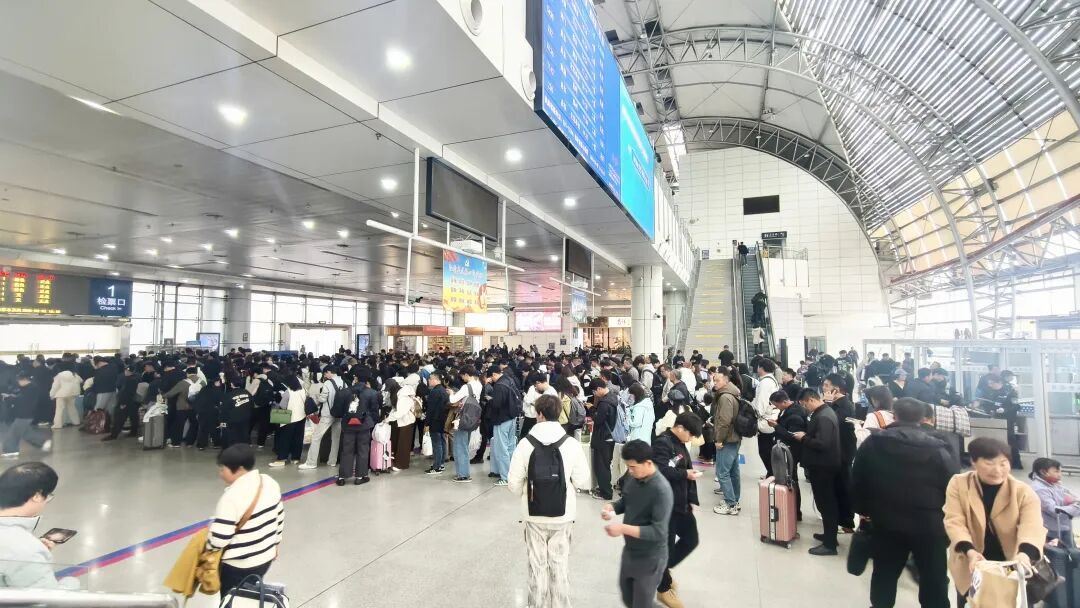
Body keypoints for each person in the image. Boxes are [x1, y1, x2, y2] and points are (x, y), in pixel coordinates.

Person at [852, 398, 959, 608]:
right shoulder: (940, 446)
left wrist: (864, 511)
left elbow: (858, 479)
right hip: (930, 524)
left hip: (886, 521)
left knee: (885, 573)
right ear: (923, 418)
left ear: (894, 414)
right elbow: (952, 484)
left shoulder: (875, 442)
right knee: (934, 577)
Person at [507, 394, 590, 608]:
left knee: (537, 568)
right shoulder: (570, 443)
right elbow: (583, 480)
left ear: (539, 414)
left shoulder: (525, 444)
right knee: (559, 566)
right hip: (563, 514)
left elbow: (513, 484)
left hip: (533, 514)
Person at [943, 437, 1046, 606]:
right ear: (974, 462)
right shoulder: (959, 484)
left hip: (1010, 564)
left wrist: (1024, 554)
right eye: (989, 463)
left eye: (1003, 463)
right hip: (973, 563)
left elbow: (1032, 526)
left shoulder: (1023, 491)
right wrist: (969, 551)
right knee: (972, 602)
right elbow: (954, 521)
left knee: (1010, 601)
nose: (997, 470)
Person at [600, 440, 674, 608]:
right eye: (628, 467)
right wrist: (612, 507)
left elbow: (658, 531)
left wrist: (622, 528)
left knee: (641, 604)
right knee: (628, 598)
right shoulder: (634, 479)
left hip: (651, 557)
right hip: (631, 551)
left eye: (633, 467)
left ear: (648, 463)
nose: (630, 471)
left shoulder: (661, 490)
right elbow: (627, 500)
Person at [208, 445, 284, 595]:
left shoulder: (231, 497)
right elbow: (279, 516)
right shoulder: (268, 482)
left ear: (240, 469)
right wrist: (275, 543)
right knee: (249, 597)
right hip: (265, 558)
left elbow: (220, 539)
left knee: (232, 600)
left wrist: (208, 543)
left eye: (223, 469)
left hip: (238, 564)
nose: (220, 474)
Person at [652, 413, 703, 608]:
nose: (691, 439)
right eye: (690, 434)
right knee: (665, 547)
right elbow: (659, 470)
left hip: (680, 502)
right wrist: (685, 474)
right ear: (680, 428)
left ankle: (661, 570)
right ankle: (663, 589)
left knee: (691, 539)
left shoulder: (679, 443)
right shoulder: (662, 443)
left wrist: (689, 497)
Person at [0, 462, 78, 590]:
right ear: (36, 496)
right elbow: (46, 598)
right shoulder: (26, 550)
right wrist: (71, 583)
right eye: (48, 496)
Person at [793, 388, 841, 556]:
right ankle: (829, 535)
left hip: (823, 466)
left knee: (826, 504)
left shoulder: (823, 417)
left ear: (811, 400)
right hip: (822, 465)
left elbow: (823, 443)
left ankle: (830, 544)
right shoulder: (824, 413)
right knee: (824, 503)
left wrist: (804, 438)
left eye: (805, 404)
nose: (804, 408)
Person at [823, 373, 857, 533]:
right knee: (835, 486)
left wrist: (828, 404)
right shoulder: (836, 404)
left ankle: (847, 523)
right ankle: (836, 518)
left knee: (843, 486)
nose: (823, 388)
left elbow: (832, 422)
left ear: (836, 389)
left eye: (826, 385)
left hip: (843, 452)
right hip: (834, 450)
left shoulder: (845, 405)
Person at [766, 389, 807, 520]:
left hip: (791, 452)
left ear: (784, 402)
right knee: (788, 478)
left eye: (777, 405)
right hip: (786, 450)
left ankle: (795, 511)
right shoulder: (787, 410)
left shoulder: (795, 415)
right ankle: (789, 507)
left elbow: (792, 436)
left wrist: (776, 426)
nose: (776, 408)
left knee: (791, 480)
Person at [710, 368, 742, 515]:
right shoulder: (734, 392)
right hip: (734, 437)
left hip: (727, 439)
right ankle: (734, 500)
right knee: (733, 471)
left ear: (726, 380)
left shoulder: (725, 397)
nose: (715, 383)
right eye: (714, 380)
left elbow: (724, 421)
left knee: (722, 472)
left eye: (717, 380)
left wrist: (719, 439)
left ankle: (730, 504)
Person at [1029, 457, 1080, 548]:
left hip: (1062, 525)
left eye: (1060, 471)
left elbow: (1067, 495)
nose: (1060, 475)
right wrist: (1075, 508)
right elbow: (1054, 510)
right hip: (1052, 530)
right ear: (1043, 472)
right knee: (1064, 553)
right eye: (1056, 471)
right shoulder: (1040, 489)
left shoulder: (1053, 484)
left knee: (1072, 551)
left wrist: (1072, 500)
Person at [300, 365, 343, 471]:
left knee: (316, 437)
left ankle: (311, 462)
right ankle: (332, 461)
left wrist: (316, 398)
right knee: (336, 438)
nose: (325, 375)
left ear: (329, 372)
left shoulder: (328, 383)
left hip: (328, 414)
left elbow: (323, 399)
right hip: (340, 414)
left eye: (325, 373)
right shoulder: (343, 382)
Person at [2, 372, 52, 457]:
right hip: (26, 414)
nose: (18, 382)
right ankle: (42, 443)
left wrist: (9, 398)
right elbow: (21, 398)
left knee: (14, 433)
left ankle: (10, 450)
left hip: (24, 414)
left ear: (25, 380)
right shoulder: (29, 388)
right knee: (26, 433)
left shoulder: (31, 389)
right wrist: (12, 396)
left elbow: (22, 401)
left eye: (19, 380)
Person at [488, 365, 521, 486]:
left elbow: (497, 404)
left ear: (494, 374)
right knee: (510, 446)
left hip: (501, 420)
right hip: (511, 417)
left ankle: (505, 477)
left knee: (501, 449)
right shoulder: (509, 380)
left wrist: (490, 400)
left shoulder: (499, 385)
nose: (491, 380)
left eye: (491, 377)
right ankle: (512, 473)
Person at [449, 366, 483, 483]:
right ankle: (463, 473)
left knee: (460, 446)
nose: (462, 378)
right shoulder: (479, 384)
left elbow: (453, 400)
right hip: (472, 418)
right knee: (464, 445)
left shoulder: (466, 387)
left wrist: (451, 393)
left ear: (467, 374)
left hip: (463, 418)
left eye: (463, 376)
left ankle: (463, 475)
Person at [589, 378, 619, 501]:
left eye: (594, 392)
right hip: (609, 437)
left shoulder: (604, 403)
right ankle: (604, 488)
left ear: (599, 389)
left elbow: (598, 420)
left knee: (601, 466)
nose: (594, 394)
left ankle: (606, 493)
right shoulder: (613, 397)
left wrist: (592, 409)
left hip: (602, 437)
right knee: (605, 464)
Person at [752, 359, 780, 478]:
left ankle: (772, 474)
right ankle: (771, 473)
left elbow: (761, 402)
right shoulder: (771, 380)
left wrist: (756, 415)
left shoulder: (765, 382)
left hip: (766, 419)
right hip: (771, 416)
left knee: (764, 450)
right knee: (768, 448)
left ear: (761, 368)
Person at [425, 371, 450, 475]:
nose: (429, 380)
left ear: (436, 380)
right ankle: (441, 463)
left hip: (435, 420)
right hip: (442, 419)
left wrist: (427, 423)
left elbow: (430, 409)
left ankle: (436, 467)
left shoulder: (434, 392)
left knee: (437, 443)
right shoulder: (443, 390)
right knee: (442, 441)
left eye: (430, 378)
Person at [47, 363, 81, 430]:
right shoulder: (74, 374)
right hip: (72, 394)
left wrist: (51, 395)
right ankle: (76, 422)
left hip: (61, 394)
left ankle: (57, 424)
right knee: (72, 408)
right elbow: (80, 381)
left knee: (59, 410)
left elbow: (55, 386)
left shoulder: (59, 375)